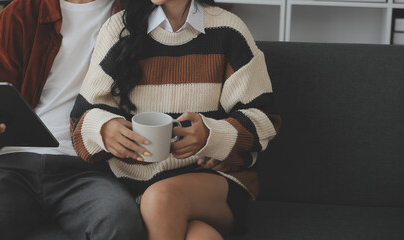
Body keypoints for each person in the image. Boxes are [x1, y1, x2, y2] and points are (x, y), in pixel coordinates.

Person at [0, 0, 148, 239]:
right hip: (11, 169)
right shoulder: (20, 15)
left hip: (89, 169)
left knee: (121, 223)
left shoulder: (134, 14)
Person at [70, 0, 282, 239]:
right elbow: (80, 121)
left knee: (162, 198)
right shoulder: (119, 29)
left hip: (212, 184)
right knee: (202, 237)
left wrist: (212, 137)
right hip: (133, 185)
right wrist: (103, 129)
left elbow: (264, 119)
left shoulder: (228, 29)